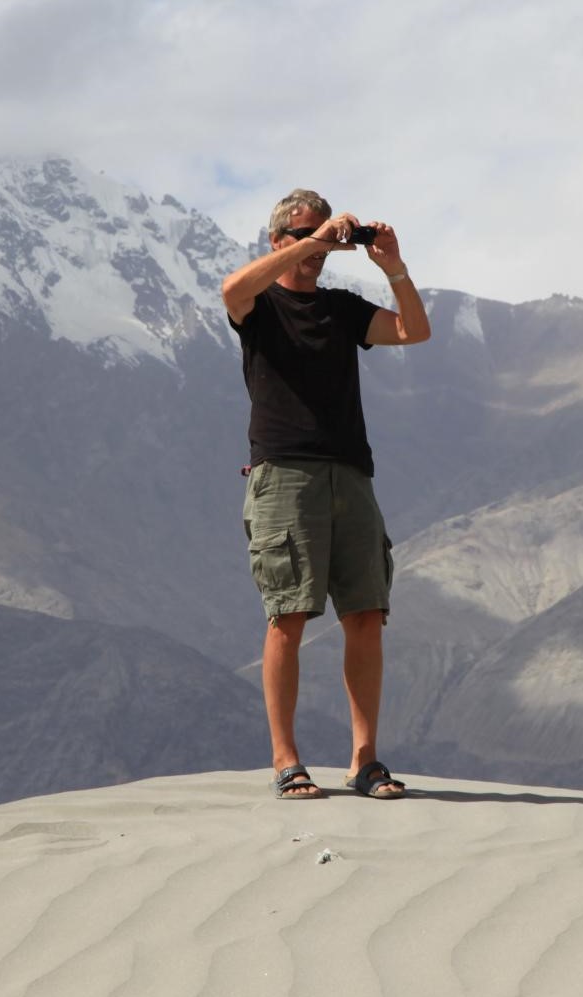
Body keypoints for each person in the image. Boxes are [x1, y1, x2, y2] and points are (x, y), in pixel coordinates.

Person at [221, 189, 431, 800]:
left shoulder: (340, 309)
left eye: (323, 236)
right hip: (283, 475)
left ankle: (365, 759)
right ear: (277, 241)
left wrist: (391, 265)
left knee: (367, 614)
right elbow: (231, 291)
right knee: (288, 615)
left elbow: (414, 331)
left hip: (351, 474)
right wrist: (314, 240)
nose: (319, 248)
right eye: (303, 236)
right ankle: (287, 760)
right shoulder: (258, 306)